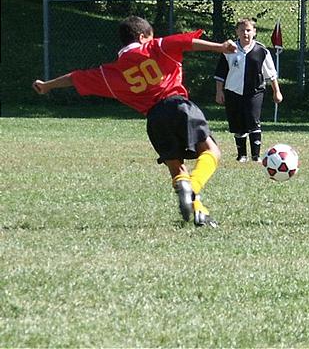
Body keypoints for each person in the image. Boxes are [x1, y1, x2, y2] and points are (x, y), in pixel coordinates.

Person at [32, 16, 237, 227]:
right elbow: (187, 43)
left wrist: (47, 85)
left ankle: (199, 212)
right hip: (178, 106)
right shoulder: (156, 46)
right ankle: (193, 188)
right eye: (151, 36)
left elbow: (75, 77)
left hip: (154, 119)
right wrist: (219, 47)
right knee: (212, 152)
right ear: (142, 37)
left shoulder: (110, 72)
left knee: (177, 168)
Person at [214, 18, 283, 162]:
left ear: (254, 32)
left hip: (254, 92)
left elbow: (271, 73)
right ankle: (242, 155)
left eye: (248, 30)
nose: (245, 33)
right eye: (242, 30)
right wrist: (219, 91)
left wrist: (276, 91)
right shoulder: (229, 50)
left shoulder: (261, 50)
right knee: (237, 123)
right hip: (233, 92)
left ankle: (256, 156)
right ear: (237, 32)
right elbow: (220, 74)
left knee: (253, 120)